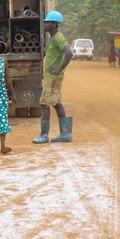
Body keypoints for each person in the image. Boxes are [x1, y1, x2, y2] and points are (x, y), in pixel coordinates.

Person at [33, 10, 74, 144]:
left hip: (53, 77)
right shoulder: (52, 37)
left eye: (47, 22)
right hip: (51, 76)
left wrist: (59, 69)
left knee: (44, 104)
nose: (44, 24)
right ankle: (65, 134)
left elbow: (69, 52)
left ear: (54, 24)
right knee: (57, 104)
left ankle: (44, 135)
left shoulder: (58, 37)